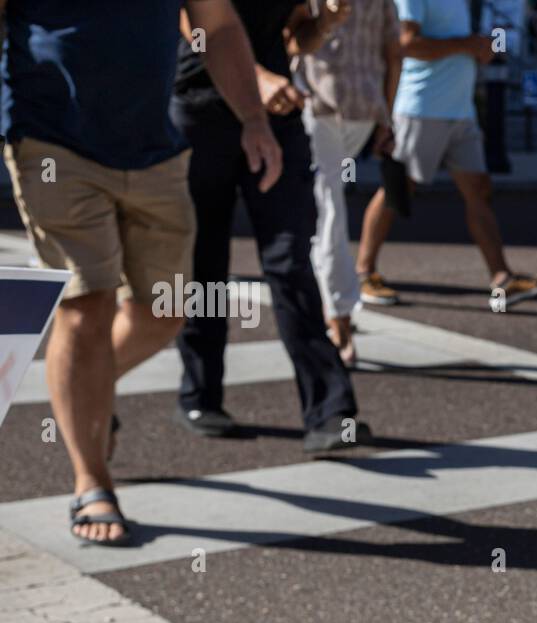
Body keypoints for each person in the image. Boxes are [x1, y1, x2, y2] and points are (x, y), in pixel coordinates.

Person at [1, 0, 279, 546]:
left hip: (155, 148)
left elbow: (217, 26)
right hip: (51, 139)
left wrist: (253, 117)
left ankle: (87, 394)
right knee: (87, 303)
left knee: (166, 313)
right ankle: (91, 481)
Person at [171, 0, 370, 452]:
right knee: (205, 262)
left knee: (289, 257)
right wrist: (256, 82)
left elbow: (295, 35)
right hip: (202, 110)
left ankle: (330, 410)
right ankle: (200, 395)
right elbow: (195, 24)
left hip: (276, 114)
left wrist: (325, 23)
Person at [355, 0, 537, 311]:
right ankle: (364, 273)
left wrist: (478, 49)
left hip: (460, 110)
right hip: (422, 108)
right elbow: (406, 44)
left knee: (479, 190)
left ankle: (502, 278)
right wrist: (468, 44)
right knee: (398, 189)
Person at [299, 0, 402, 366]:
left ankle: (338, 317)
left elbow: (293, 40)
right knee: (327, 203)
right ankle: (332, 305)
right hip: (361, 106)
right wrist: (386, 117)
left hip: (320, 102)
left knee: (328, 207)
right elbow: (394, 54)